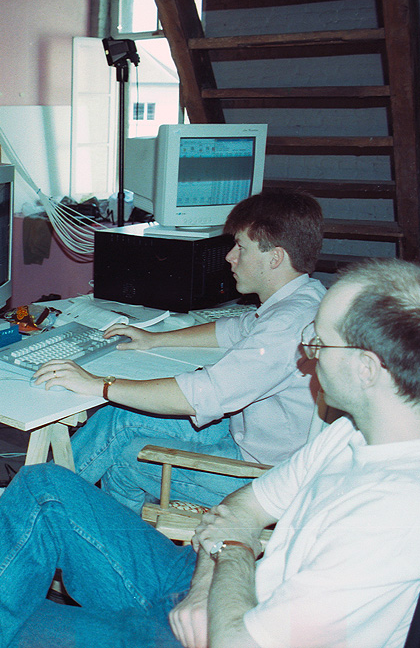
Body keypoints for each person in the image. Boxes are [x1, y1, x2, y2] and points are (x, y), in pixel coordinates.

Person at [0, 258, 420, 648]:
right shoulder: (357, 435)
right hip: (212, 590)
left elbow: (239, 630)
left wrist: (230, 554)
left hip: (227, 632)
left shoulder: (409, 510)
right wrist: (207, 579)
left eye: (319, 343)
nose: (308, 355)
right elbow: (242, 508)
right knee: (44, 490)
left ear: (367, 368)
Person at [34, 188, 326, 512]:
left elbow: (199, 395)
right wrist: (155, 339)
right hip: (251, 438)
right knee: (119, 417)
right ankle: (34, 498)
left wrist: (99, 384)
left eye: (241, 247)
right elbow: (234, 329)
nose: (230, 257)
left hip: (263, 478)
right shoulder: (304, 299)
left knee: (127, 456)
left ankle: (58, 518)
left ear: (275, 258)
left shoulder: (286, 327)